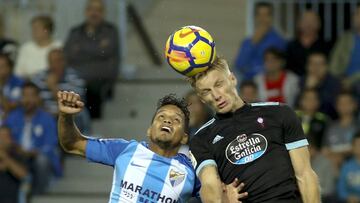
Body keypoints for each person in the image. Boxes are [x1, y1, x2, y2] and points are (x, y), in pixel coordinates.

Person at [57, 91, 247, 202]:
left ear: (184, 138)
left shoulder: (193, 170)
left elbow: (215, 195)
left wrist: (227, 197)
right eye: (161, 117)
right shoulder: (125, 150)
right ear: (149, 130)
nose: (168, 121)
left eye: (176, 120)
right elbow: (72, 143)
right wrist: (66, 116)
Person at [187, 57, 320, 202]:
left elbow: (305, 175)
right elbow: (209, 186)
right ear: (201, 98)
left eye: (219, 84)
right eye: (206, 91)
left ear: (232, 79)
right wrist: (222, 200)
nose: (216, 95)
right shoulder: (201, 139)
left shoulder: (279, 113)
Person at [64, 0, 120, 119]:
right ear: (86, 12)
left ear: (103, 13)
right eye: (91, 9)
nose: (94, 13)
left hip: (99, 82)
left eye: (98, 10)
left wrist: (81, 49)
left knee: (92, 90)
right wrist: (98, 49)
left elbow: (109, 52)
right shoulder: (75, 31)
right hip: (75, 80)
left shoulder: (111, 31)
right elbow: (68, 55)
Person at [4, 82, 62, 194]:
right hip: (17, 156)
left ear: (38, 98)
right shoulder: (13, 117)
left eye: (31, 95)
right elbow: (5, 138)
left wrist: (32, 153)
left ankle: (38, 194)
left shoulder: (47, 119)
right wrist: (14, 147)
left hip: (37, 157)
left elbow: (51, 145)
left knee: (42, 160)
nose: (27, 100)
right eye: (24, 95)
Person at [31, 48, 90, 134]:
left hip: (68, 117)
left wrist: (53, 87)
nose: (54, 65)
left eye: (58, 61)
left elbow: (75, 104)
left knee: (81, 114)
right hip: (45, 116)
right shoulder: (39, 77)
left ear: (64, 61)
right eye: (51, 62)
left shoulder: (74, 77)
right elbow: (32, 97)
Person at [234, 2, 286, 80]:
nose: (262, 19)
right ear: (255, 17)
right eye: (260, 15)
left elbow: (276, 67)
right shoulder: (248, 41)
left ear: (271, 17)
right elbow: (239, 65)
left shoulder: (279, 41)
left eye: (266, 15)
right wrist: (253, 43)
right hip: (247, 83)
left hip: (267, 81)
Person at [286, 10, 329, 76]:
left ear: (319, 24)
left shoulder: (327, 47)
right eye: (305, 20)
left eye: (312, 21)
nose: (309, 24)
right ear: (298, 24)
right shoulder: (290, 47)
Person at [322, 91, 358, 170]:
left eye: (347, 103)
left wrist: (339, 155)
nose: (344, 106)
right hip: (332, 164)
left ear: (354, 105)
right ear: (336, 106)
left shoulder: (357, 127)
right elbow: (325, 150)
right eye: (341, 103)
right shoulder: (330, 127)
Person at [300, 51, 341, 119]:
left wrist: (313, 88)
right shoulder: (302, 80)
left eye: (320, 64)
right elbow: (296, 105)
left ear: (327, 67)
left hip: (328, 121)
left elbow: (331, 109)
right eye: (312, 64)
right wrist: (307, 88)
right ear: (307, 66)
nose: (316, 67)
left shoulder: (334, 83)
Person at [330, 4, 360, 86]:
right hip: (342, 81)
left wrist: (349, 81)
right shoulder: (345, 38)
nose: (357, 17)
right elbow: (334, 62)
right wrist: (336, 79)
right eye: (356, 14)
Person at [0, 125, 29, 203]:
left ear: (11, 139)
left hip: (11, 199)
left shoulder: (17, 155)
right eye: (1, 137)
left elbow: (23, 174)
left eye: (5, 137)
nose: (2, 140)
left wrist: (4, 156)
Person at [337, 131, 360, 203]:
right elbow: (340, 188)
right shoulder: (346, 166)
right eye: (357, 145)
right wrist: (348, 197)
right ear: (352, 147)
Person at [0, 54, 24, 119]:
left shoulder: (19, 83)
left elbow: (10, 107)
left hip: (13, 119)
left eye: (2, 66)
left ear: (9, 68)